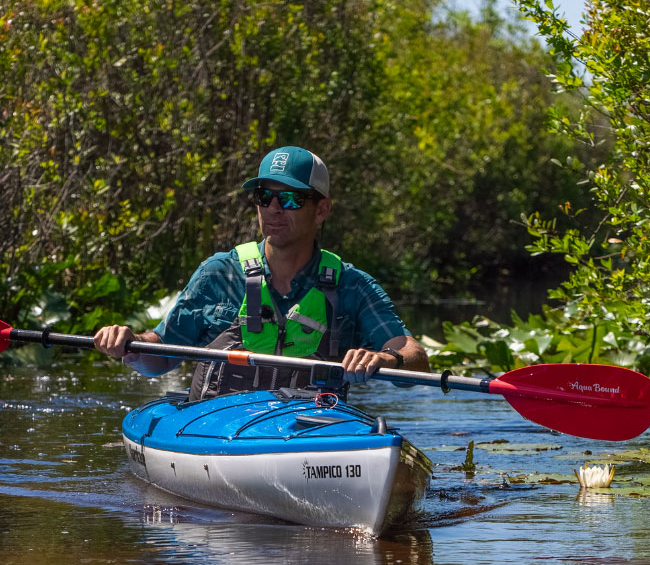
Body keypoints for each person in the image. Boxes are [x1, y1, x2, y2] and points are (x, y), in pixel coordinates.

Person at [93, 146, 428, 400]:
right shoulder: (218, 274)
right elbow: (160, 357)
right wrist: (131, 345)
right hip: (217, 431)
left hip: (309, 432)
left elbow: (415, 358)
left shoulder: (352, 285)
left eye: (291, 199)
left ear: (322, 210)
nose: (273, 209)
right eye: (264, 197)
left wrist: (384, 358)